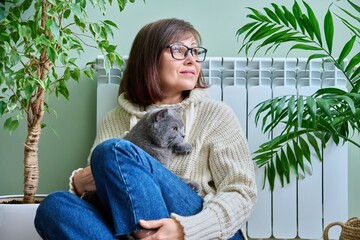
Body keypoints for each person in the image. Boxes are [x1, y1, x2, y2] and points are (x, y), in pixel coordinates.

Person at [34, 18, 257, 240]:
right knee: (54, 207)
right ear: (149, 59)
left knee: (113, 151)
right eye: (179, 50)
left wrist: (185, 229)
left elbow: (242, 192)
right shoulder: (115, 119)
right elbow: (106, 190)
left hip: (200, 230)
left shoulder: (216, 114)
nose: (192, 60)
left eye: (195, 52)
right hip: (129, 231)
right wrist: (79, 182)